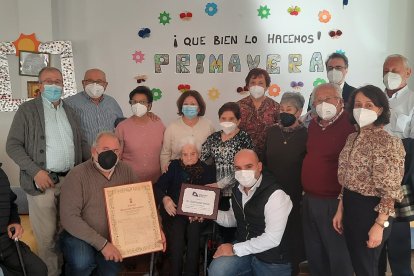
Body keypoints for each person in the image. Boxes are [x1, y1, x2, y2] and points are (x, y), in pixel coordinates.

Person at [6, 67, 89, 276]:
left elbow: (80, 143)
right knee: (47, 239)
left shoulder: (70, 111)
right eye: (49, 81)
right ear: (40, 85)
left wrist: (98, 156)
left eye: (58, 81)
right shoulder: (27, 110)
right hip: (42, 183)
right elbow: (13, 145)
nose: (54, 85)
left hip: (70, 182)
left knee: (68, 233)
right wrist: (35, 172)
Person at [60, 132, 166, 275]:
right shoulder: (77, 175)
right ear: (93, 151)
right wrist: (102, 245)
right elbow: (69, 218)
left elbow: (144, 202)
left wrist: (156, 230)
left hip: (112, 238)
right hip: (81, 236)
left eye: (115, 150)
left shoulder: (126, 170)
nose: (111, 154)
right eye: (105, 150)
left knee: (110, 273)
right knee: (82, 262)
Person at [332, 85, 405, 276]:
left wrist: (380, 225)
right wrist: (341, 208)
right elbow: (347, 178)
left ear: (380, 110)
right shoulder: (352, 137)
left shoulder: (388, 142)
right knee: (365, 264)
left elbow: (391, 190)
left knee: (367, 267)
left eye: (369, 105)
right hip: (351, 205)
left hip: (372, 210)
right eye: (358, 104)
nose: (362, 109)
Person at [208, 149, 292, 276]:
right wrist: (209, 212)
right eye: (238, 168)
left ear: (259, 167)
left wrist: (234, 249)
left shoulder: (276, 195)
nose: (243, 172)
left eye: (248, 166)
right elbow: (233, 219)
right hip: (245, 249)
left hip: (272, 258)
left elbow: (272, 239)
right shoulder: (236, 189)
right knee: (217, 270)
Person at [301, 83, 355, 276]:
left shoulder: (352, 124)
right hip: (309, 200)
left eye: (328, 99)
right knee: (315, 255)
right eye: (319, 100)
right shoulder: (313, 124)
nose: (323, 104)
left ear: (340, 101)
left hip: (335, 203)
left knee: (338, 257)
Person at [155, 136, 215, 276]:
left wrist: (203, 212)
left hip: (198, 214)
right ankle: (174, 272)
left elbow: (212, 195)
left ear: (198, 154)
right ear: (180, 155)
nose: (188, 157)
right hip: (175, 210)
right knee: (177, 231)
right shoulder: (174, 167)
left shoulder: (207, 170)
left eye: (192, 154)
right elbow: (158, 187)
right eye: (185, 154)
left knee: (194, 229)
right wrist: (165, 199)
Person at [263, 92, 307, 276]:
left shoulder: (306, 134)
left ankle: (293, 267)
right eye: (281, 109)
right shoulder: (272, 131)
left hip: (295, 190)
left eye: (288, 109)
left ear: (298, 112)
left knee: (293, 229)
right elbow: (264, 159)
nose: (284, 112)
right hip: (272, 190)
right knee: (272, 227)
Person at [380, 54, 414, 276]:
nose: (389, 75)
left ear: (408, 73)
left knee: (398, 248)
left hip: (400, 183)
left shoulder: (412, 101)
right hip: (371, 183)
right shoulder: (374, 100)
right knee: (374, 248)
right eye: (386, 70)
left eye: (395, 70)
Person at [200, 102, 254, 242]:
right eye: (223, 118)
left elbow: (246, 167)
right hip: (216, 192)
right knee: (216, 229)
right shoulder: (213, 138)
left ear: (239, 120)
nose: (227, 122)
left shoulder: (244, 138)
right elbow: (201, 160)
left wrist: (221, 184)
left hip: (237, 191)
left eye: (231, 119)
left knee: (232, 229)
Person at [0, 163, 48, 276]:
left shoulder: (1, 174)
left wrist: (14, 222)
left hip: (6, 243)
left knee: (38, 270)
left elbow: (11, 204)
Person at [115, 86, 165, 184]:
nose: (137, 105)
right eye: (134, 102)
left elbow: (166, 150)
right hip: (130, 182)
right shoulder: (122, 127)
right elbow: (117, 157)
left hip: (156, 182)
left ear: (149, 106)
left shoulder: (159, 124)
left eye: (142, 102)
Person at [65, 68, 124, 147]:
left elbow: (121, 126)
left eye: (99, 81)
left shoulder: (112, 102)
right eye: (90, 81)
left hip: (110, 153)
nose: (94, 85)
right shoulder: (70, 103)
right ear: (83, 83)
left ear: (105, 85)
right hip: (84, 156)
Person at [160, 90, 215, 172]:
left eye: (193, 104)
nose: (189, 107)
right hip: (177, 172)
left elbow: (214, 150)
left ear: (199, 108)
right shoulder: (172, 127)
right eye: (185, 104)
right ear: (181, 107)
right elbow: (165, 153)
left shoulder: (208, 125)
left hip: (203, 172)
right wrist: (166, 174)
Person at [237, 68, 279, 157]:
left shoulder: (276, 107)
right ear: (247, 86)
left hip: (269, 156)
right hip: (243, 156)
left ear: (267, 86)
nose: (256, 86)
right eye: (253, 83)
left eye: (260, 83)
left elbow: (280, 132)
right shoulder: (238, 106)